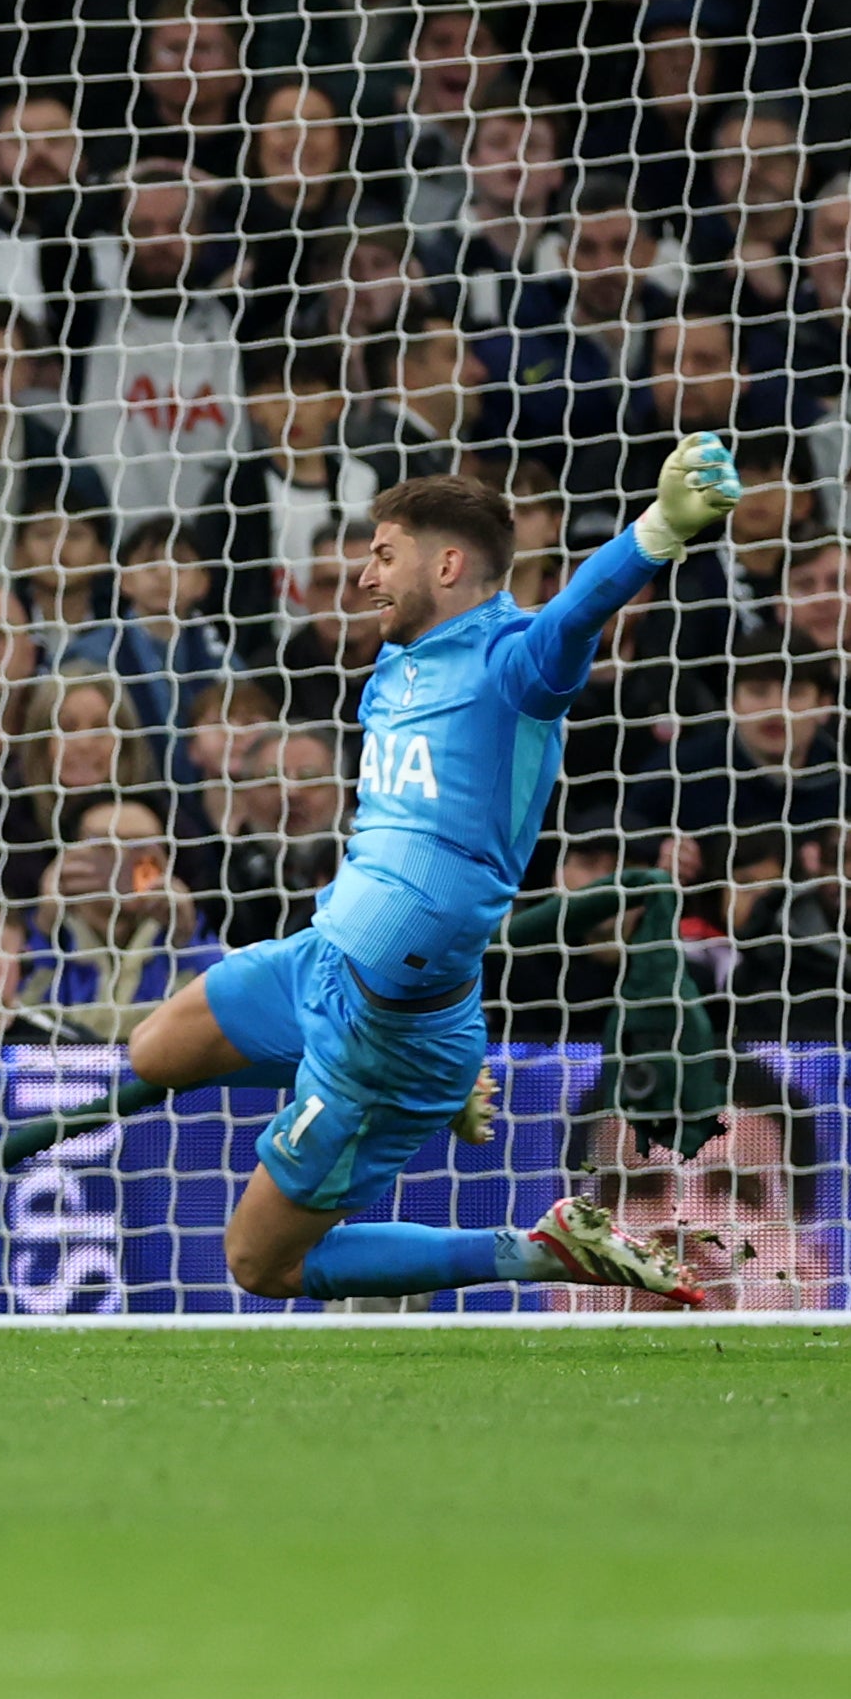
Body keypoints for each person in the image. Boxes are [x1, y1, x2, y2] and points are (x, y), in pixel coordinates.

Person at [130, 465, 737, 1307]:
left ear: (446, 565)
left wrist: (657, 532)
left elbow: (574, 614)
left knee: (258, 1264)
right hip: (319, 962)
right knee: (153, 1055)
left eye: (383, 554)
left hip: (384, 1036)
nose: (363, 575)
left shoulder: (511, 664)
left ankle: (534, 1247)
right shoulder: (394, 668)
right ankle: (438, 1086)